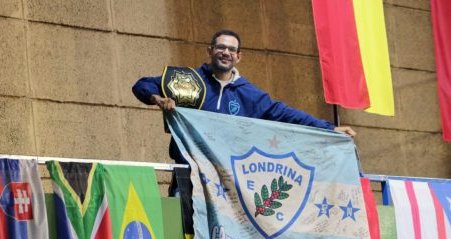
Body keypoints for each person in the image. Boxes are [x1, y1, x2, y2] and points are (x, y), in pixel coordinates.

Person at [132, 29, 355, 166]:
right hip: (189, 173)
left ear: (238, 57)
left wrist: (329, 128)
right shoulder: (187, 79)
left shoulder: (249, 94)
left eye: (231, 50)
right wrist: (157, 98)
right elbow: (141, 85)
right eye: (220, 47)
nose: (225, 52)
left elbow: (287, 115)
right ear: (209, 51)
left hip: (228, 181)